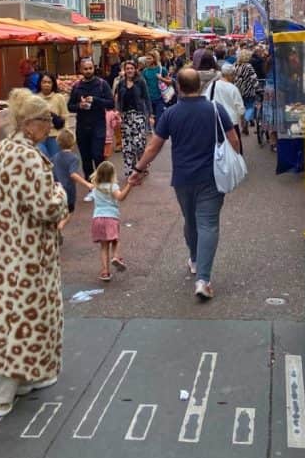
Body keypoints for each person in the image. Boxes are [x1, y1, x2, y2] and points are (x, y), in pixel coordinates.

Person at [0, 88, 69, 418]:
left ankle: (25, 375)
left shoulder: (3, 150)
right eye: (45, 120)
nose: (50, 125)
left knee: (14, 313)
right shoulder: (24, 156)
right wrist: (61, 193)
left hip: (6, 249)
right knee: (19, 316)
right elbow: (45, 206)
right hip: (25, 253)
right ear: (29, 124)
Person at [130, 67, 239, 300]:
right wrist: (234, 161)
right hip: (212, 177)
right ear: (199, 85)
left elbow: (154, 146)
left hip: (183, 178)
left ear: (178, 86)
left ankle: (195, 259)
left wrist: (138, 169)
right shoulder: (215, 109)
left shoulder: (171, 114)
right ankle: (203, 279)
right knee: (208, 224)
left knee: (190, 220)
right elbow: (234, 140)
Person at [68, 57, 115, 179]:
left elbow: (111, 103)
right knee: (86, 157)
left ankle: (102, 182)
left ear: (94, 68)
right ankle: (90, 184)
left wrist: (95, 100)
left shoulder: (101, 84)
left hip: (98, 124)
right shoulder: (77, 86)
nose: (88, 71)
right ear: (80, 70)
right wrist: (80, 105)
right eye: (85, 69)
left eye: (90, 68)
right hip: (82, 126)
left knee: (98, 155)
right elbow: (70, 106)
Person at [86, 160, 133, 282]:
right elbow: (121, 197)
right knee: (115, 240)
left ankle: (105, 272)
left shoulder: (95, 188)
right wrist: (129, 185)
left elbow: (90, 196)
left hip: (97, 218)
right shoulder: (113, 187)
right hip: (111, 217)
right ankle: (116, 257)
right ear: (113, 175)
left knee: (103, 246)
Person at [114, 59, 154, 178]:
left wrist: (150, 114)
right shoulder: (121, 83)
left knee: (139, 143)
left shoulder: (140, 82)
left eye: (131, 68)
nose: (129, 71)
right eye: (127, 69)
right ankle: (130, 170)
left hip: (138, 115)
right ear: (124, 70)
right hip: (125, 116)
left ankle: (142, 166)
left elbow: (146, 98)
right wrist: (118, 111)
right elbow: (118, 98)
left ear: (135, 69)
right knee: (127, 145)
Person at [206, 62, 245, 152]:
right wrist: (242, 120)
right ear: (230, 75)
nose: (235, 77)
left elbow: (207, 100)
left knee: (219, 148)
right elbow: (241, 109)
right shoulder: (233, 88)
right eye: (234, 75)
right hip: (231, 122)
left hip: (216, 120)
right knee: (235, 147)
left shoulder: (212, 85)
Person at [52, 128, 92, 214]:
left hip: (56, 189)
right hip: (68, 189)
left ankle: (59, 225)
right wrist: (87, 184)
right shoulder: (73, 158)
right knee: (69, 212)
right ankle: (61, 225)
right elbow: (73, 174)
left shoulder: (55, 157)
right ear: (73, 143)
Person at [37, 72, 68, 159]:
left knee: (55, 163)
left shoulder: (59, 98)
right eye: (44, 82)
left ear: (53, 84)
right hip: (39, 136)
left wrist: (66, 137)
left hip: (55, 135)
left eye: (49, 82)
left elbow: (65, 116)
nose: (46, 84)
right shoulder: (35, 98)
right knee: (42, 162)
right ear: (40, 83)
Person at [233, 49, 259, 135]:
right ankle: (246, 122)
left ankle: (243, 124)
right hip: (248, 90)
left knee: (241, 108)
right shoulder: (248, 66)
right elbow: (254, 78)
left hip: (238, 90)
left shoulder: (235, 65)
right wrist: (257, 88)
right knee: (250, 107)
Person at [142, 50, 168, 125]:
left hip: (160, 98)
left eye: (149, 58)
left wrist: (161, 78)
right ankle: (152, 134)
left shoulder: (162, 69)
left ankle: (158, 134)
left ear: (155, 59)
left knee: (159, 120)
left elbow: (170, 82)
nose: (147, 60)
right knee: (148, 120)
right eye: (147, 58)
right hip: (148, 98)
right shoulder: (145, 71)